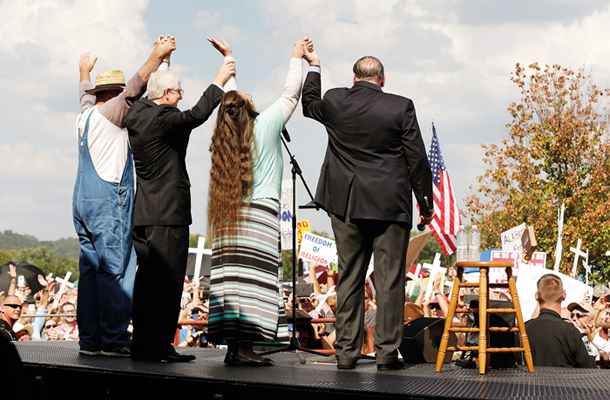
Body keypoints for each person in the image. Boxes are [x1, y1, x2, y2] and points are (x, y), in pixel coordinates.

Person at [301, 49, 435, 371]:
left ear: (354, 78)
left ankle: (346, 353)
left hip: (346, 205)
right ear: (383, 80)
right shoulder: (400, 106)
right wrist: (426, 204)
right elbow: (416, 157)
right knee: (390, 282)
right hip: (390, 205)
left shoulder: (335, 100)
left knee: (349, 277)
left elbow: (309, 104)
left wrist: (315, 66)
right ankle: (387, 355)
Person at [125, 42, 235, 363]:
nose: (181, 96)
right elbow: (198, 114)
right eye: (179, 91)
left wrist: (165, 62)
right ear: (169, 94)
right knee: (168, 284)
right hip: (168, 215)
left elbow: (155, 94)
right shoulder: (166, 118)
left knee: (146, 284)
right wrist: (219, 79)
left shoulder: (137, 114)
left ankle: (142, 345)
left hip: (143, 214)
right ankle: (158, 347)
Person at [206, 36, 311, 366]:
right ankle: (248, 349)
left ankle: (234, 348)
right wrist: (298, 57)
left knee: (233, 285)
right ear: (250, 108)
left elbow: (231, 99)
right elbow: (291, 93)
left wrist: (229, 58)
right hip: (261, 216)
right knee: (254, 285)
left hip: (231, 217)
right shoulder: (265, 125)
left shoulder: (229, 134)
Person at [73, 36, 176, 357]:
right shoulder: (113, 110)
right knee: (114, 271)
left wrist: (84, 72)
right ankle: (114, 338)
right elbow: (135, 87)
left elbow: (83, 95)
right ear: (113, 95)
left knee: (90, 272)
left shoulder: (86, 113)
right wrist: (157, 56)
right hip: (108, 200)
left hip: (82, 200)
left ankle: (91, 342)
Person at [525, 274, 596, 368]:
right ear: (564, 295)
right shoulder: (572, 332)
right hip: (563, 382)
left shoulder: (522, 330)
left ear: (537, 296)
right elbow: (590, 370)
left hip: (527, 382)